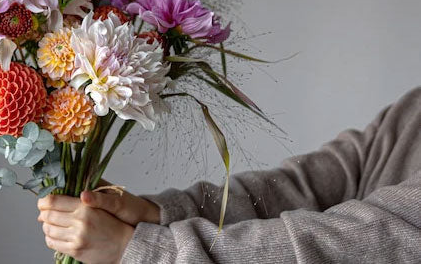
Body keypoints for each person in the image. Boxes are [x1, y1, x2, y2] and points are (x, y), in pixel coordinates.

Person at [37, 87, 421, 263]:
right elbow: (302, 186)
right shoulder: (413, 109)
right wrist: (160, 212)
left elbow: (366, 240)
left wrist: (146, 251)